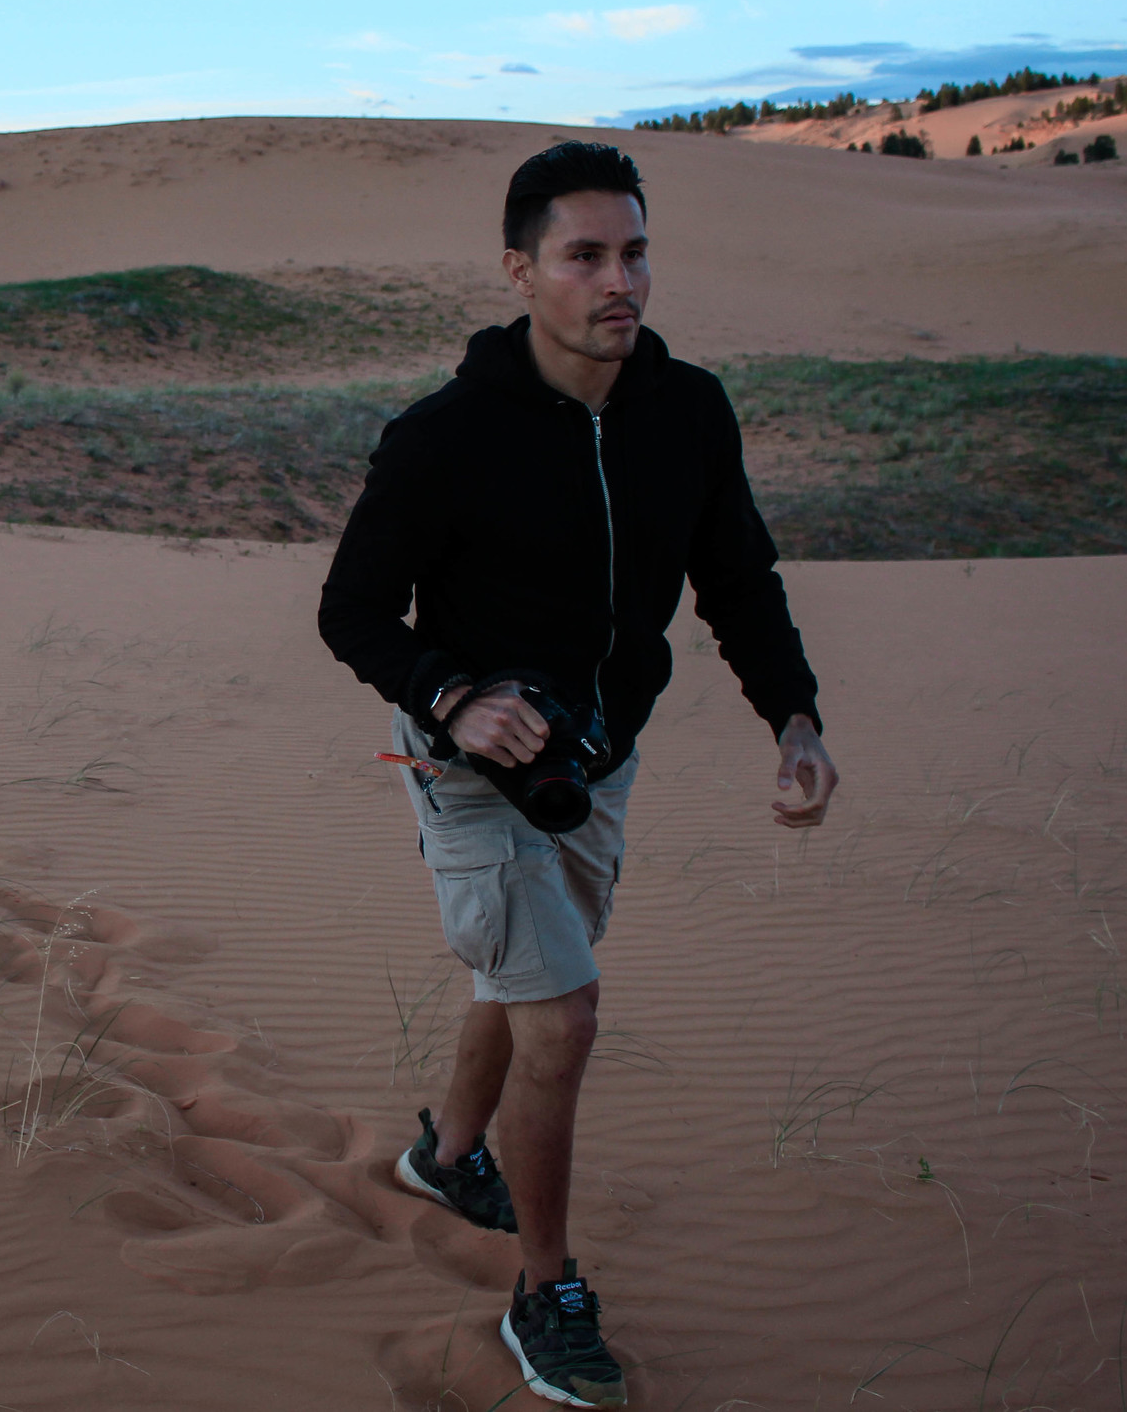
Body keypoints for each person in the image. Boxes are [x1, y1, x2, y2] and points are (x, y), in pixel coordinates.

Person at [318, 140, 838, 1408]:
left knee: (524, 974)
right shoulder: (444, 437)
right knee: (562, 1012)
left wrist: (796, 717)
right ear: (521, 268)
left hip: (599, 758)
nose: (622, 280)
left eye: (636, 251)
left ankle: (447, 1154)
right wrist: (453, 693)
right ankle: (541, 1287)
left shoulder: (688, 412)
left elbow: (737, 579)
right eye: (587, 255)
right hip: (468, 762)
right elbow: (351, 609)